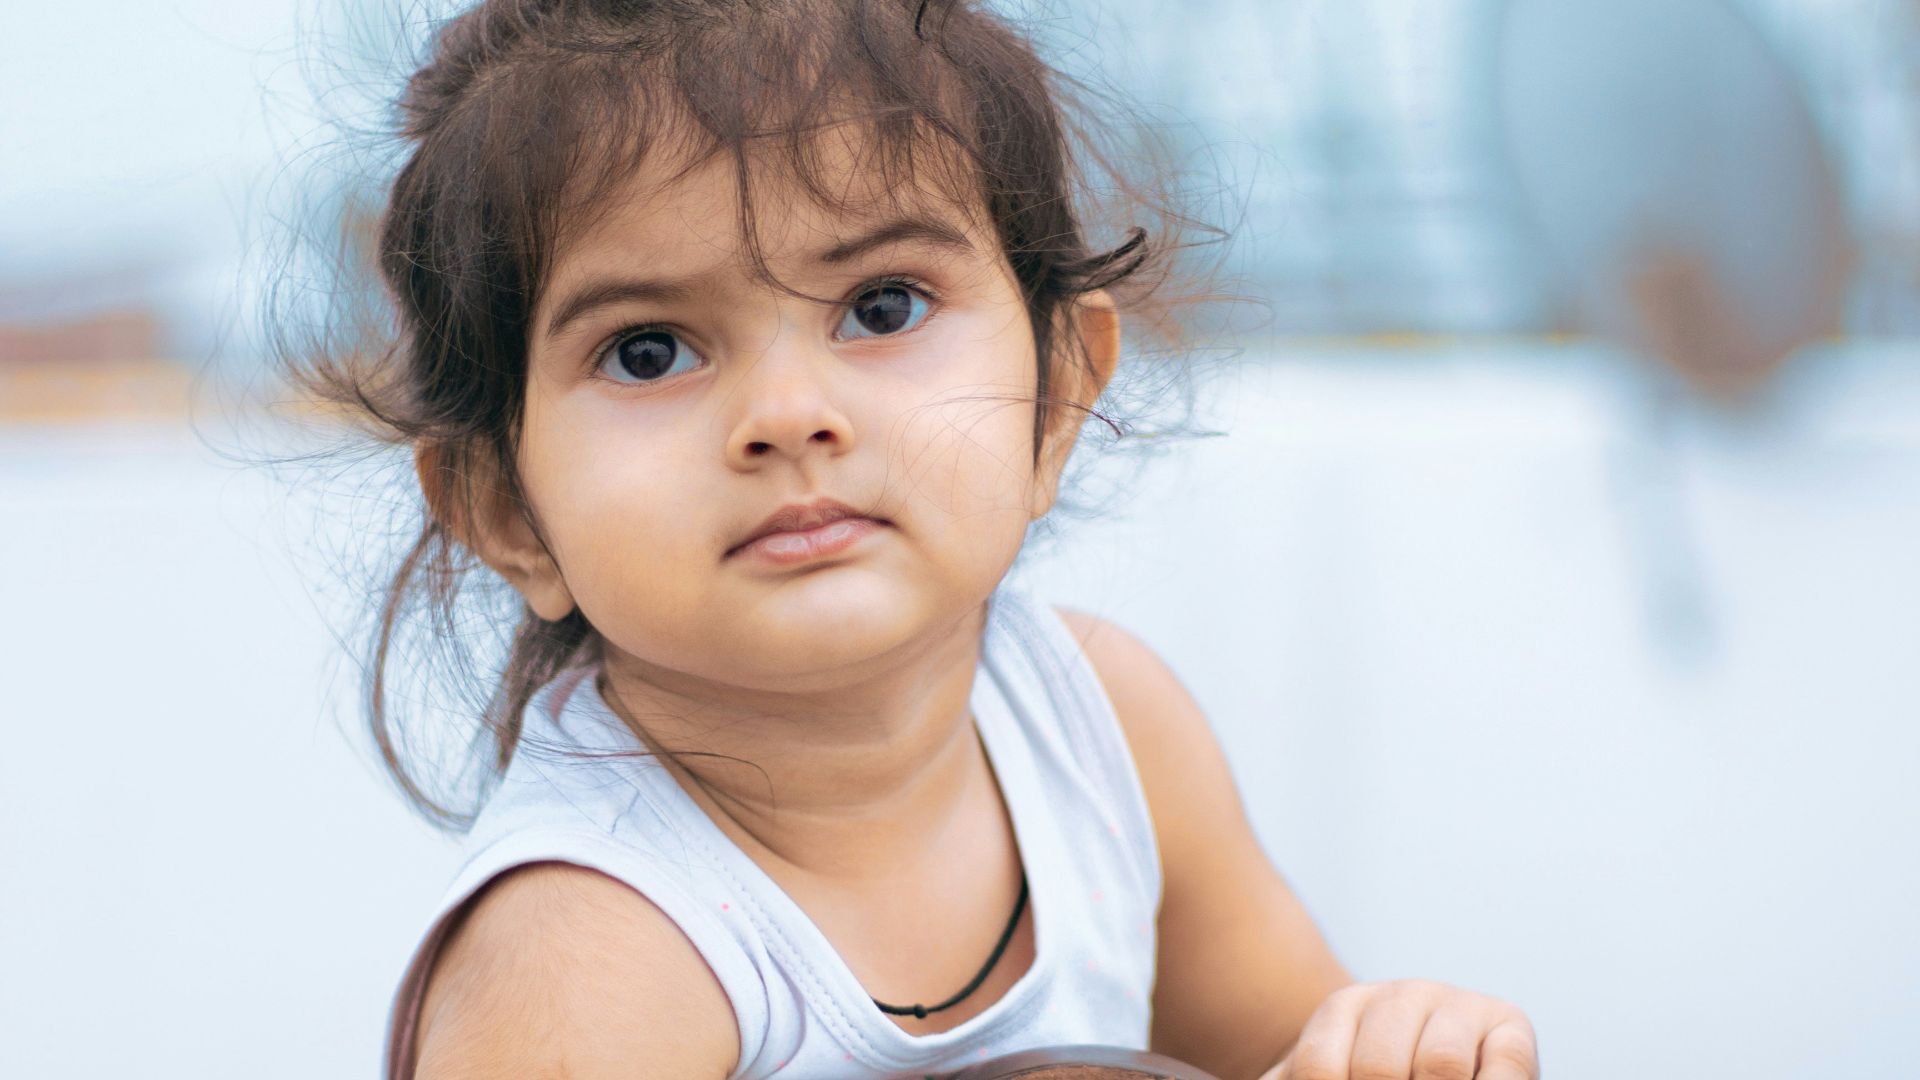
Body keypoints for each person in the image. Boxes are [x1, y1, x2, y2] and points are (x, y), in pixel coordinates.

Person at [286, 1, 1540, 1077]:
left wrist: (1395, 1041)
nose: (788, 418)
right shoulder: (593, 955)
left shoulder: (1103, 731)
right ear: (508, 508)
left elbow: (1283, 1045)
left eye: (881, 307)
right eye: (648, 349)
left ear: (1057, 398)